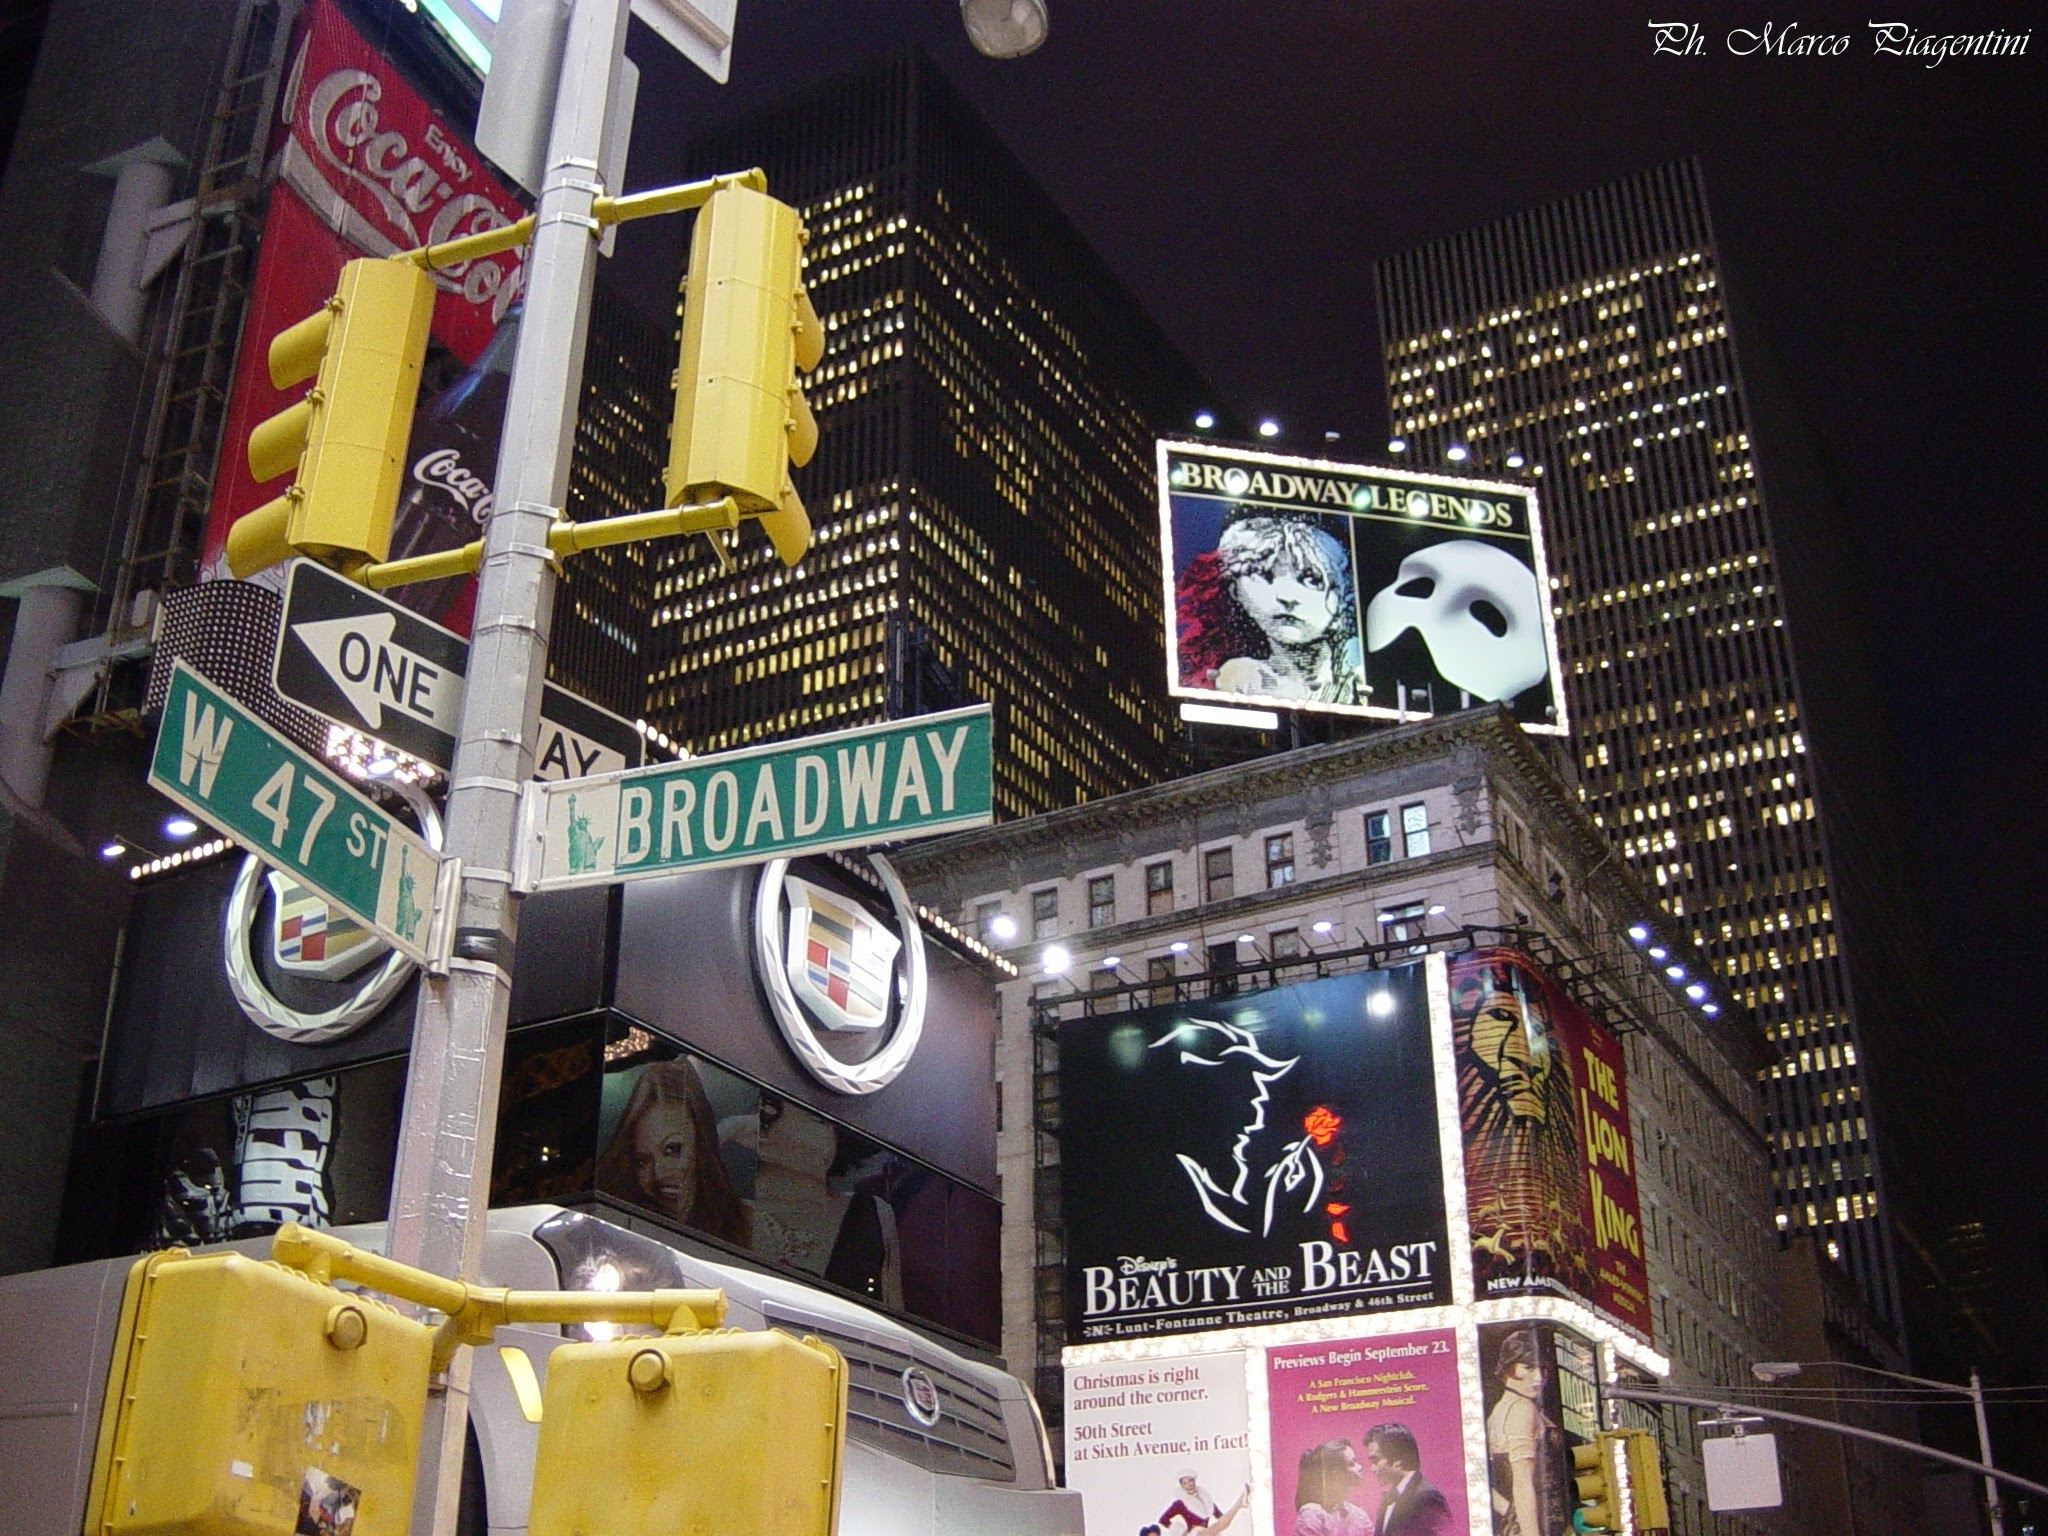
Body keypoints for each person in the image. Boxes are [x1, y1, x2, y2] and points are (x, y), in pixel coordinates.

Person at [1176, 513, 1364, 704]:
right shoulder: (1242, 678)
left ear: (1343, 592)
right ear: (1236, 590)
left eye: (1311, 579)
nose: (1286, 596)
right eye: (1264, 575)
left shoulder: (1358, 669)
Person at [752, 1091, 905, 1310]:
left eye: (829, 1123)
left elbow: (893, 1311)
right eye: (817, 1120)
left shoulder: (870, 1215)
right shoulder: (735, 1209)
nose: (827, 1133)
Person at [596, 1058, 750, 1246]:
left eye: (673, 1149)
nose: (658, 1174)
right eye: (642, 1161)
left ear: (702, 1144)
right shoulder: (619, 1228)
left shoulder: (749, 1226)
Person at [1485, 1329, 1564, 1536]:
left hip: (1519, 1521)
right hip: (1529, 1525)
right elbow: (1522, 1481)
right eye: (1528, 1367)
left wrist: (1506, 1510)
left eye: (1543, 1369)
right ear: (1507, 1368)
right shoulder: (1522, 1408)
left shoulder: (1505, 1408)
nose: (1538, 1378)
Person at [1361, 1424, 1453, 1536]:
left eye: (1375, 1461)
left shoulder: (1428, 1498)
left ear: (1397, 1460)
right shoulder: (1388, 1498)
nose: (1372, 1469)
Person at [1293, 1438, 1372, 1536]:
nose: (1360, 1467)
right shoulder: (1312, 1515)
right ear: (1335, 1473)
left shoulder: (1358, 1515)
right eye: (1352, 1463)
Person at [1155, 1472, 1251, 1534]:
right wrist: (1182, 1531)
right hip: (1193, 1533)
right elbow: (1163, 1520)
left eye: (1190, 1481)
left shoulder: (1206, 1501)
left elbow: (1221, 1519)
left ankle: (1240, 1504)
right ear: (1181, 1486)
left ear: (1194, 1481)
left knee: (1217, 1527)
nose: (1189, 1485)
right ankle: (1239, 1503)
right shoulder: (1180, 1503)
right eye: (1185, 1483)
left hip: (1207, 1532)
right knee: (1213, 1529)